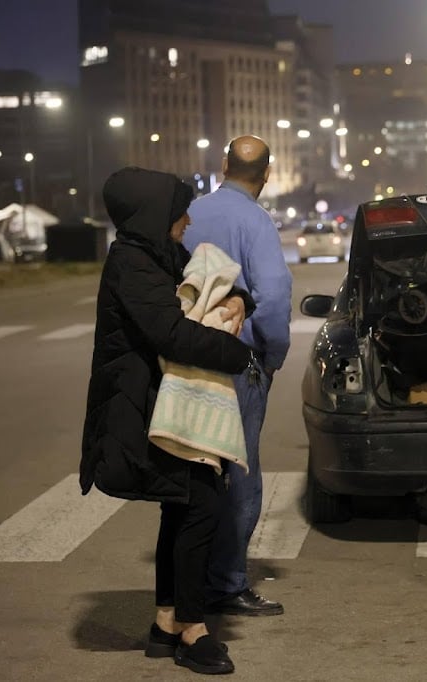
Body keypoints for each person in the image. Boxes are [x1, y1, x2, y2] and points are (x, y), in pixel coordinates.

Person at [81, 167, 252, 675]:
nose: (187, 220)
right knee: (200, 508)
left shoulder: (156, 253)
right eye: (180, 211)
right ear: (155, 214)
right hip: (142, 406)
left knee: (182, 507)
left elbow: (209, 285)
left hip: (164, 403)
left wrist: (240, 299)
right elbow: (171, 334)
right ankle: (192, 630)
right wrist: (239, 355)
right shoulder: (132, 263)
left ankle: (166, 625)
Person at [183, 135, 292, 617]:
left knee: (195, 469)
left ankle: (189, 579)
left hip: (185, 357)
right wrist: (272, 356)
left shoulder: (188, 213)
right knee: (240, 472)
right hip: (237, 361)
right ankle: (226, 583)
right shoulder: (256, 221)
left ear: (223, 165)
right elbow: (273, 297)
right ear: (267, 174)